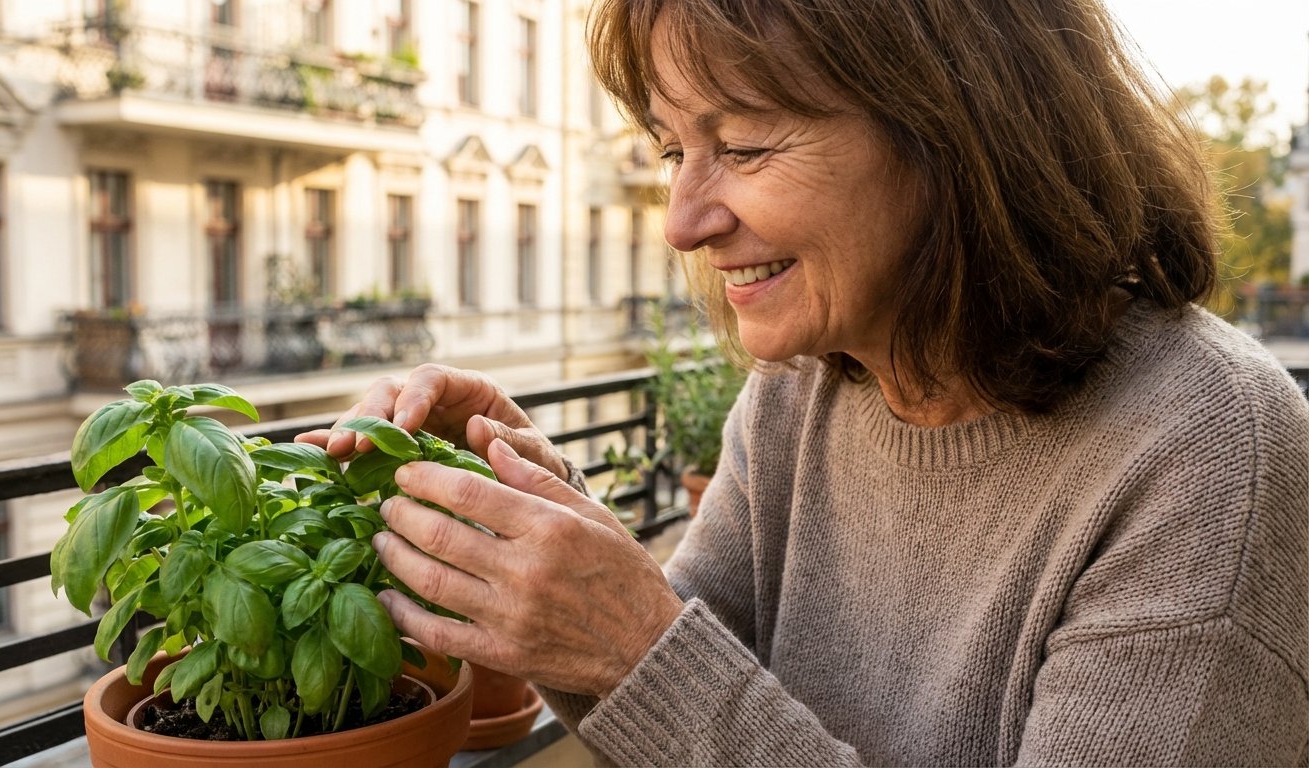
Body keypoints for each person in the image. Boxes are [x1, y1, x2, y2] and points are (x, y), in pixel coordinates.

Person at [297, 0, 1309, 763]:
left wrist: (632, 647)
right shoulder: (805, 386)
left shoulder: (1209, 450)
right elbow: (674, 690)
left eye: (741, 147)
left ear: (962, 134)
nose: (680, 221)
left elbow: (663, 669)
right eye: (672, 149)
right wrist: (528, 502)